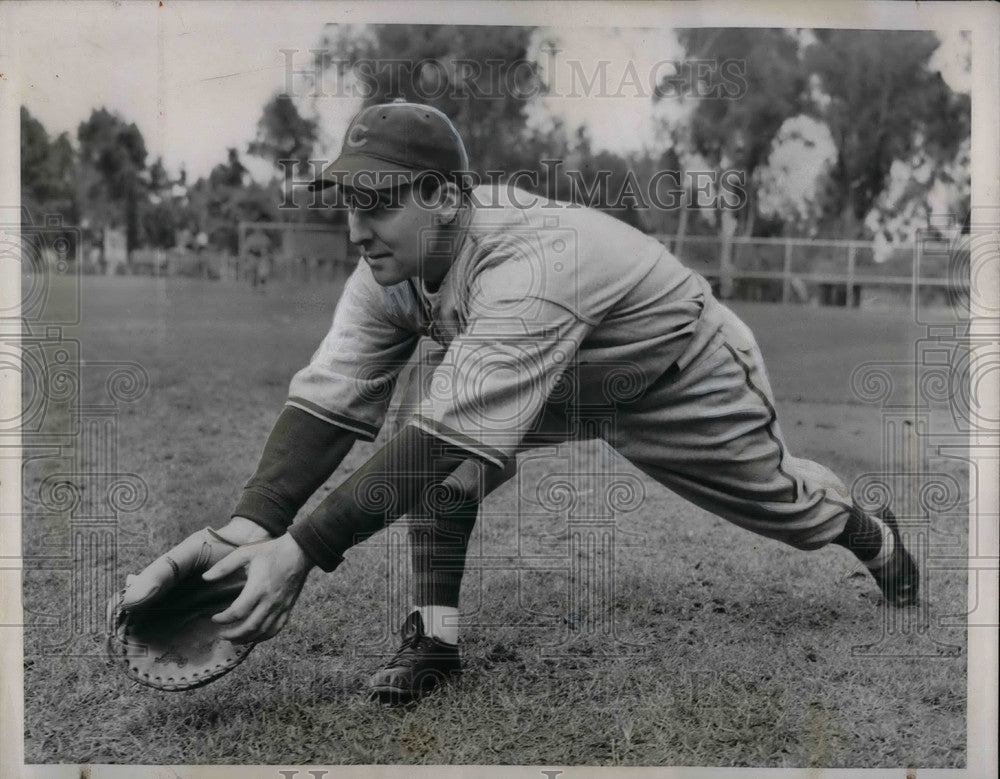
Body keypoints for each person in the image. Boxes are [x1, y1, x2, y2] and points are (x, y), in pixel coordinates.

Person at [123, 100, 919, 705]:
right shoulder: (388, 273)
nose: (358, 227)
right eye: (350, 204)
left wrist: (299, 551)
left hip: (674, 370)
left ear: (441, 195)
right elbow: (330, 403)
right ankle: (433, 638)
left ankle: (872, 535)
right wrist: (244, 526)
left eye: (378, 202)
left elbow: (442, 437)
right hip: (546, 376)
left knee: (785, 507)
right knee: (433, 423)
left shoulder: (529, 259)